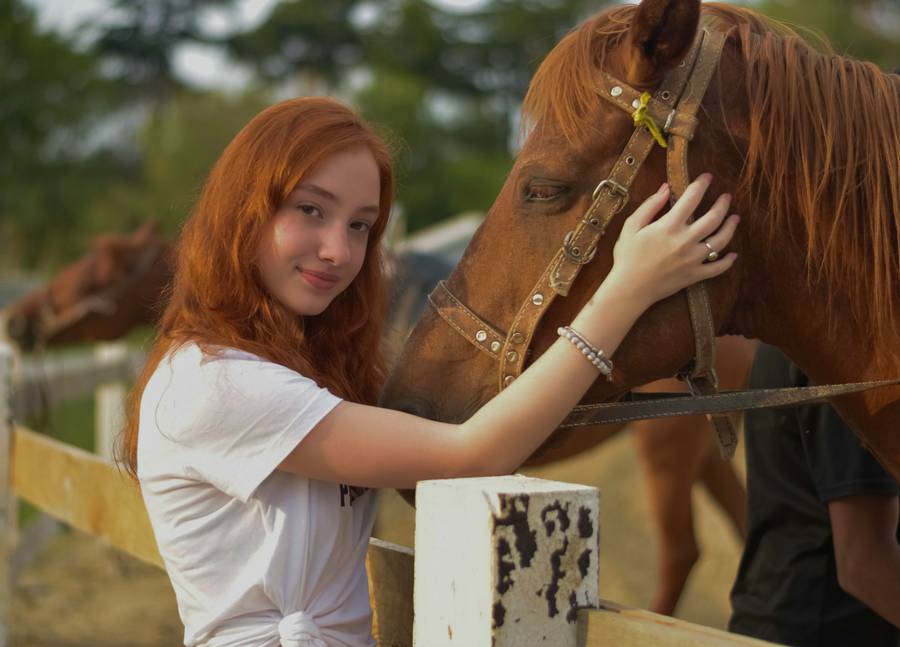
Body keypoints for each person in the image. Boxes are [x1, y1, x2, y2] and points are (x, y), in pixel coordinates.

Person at [115, 96, 739, 647]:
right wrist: (624, 292)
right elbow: (470, 453)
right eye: (311, 210)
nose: (339, 250)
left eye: (360, 225)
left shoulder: (276, 366)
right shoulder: (220, 384)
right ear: (242, 212)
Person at [729, 344, 900, 646]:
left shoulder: (785, 337)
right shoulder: (850, 355)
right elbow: (863, 562)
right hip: (826, 629)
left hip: (775, 616)